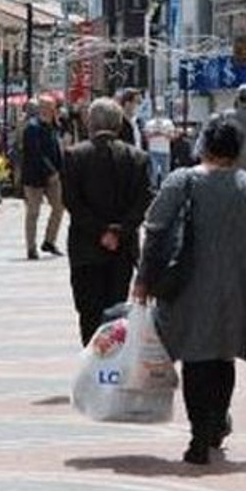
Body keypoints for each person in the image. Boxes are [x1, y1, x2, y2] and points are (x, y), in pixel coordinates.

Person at [134, 117, 246, 465]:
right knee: (223, 356)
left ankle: (199, 435)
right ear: (237, 151)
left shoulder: (181, 181)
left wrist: (144, 279)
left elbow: (156, 229)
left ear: (204, 146)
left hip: (187, 287)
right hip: (236, 287)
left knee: (196, 359)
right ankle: (216, 423)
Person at [63, 98, 153, 344]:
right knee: (115, 314)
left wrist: (100, 232)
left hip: (85, 249)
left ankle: (91, 362)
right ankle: (111, 368)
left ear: (89, 123)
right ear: (118, 124)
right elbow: (144, 201)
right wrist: (119, 231)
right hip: (121, 250)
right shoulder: (137, 158)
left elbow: (72, 202)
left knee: (89, 313)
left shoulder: (74, 156)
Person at [22, 96, 66, 260]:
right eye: (47, 106)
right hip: (35, 177)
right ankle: (31, 248)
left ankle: (49, 241)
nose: (51, 109)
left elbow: (57, 150)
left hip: (53, 177)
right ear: (41, 108)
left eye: (52, 106)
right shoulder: (32, 127)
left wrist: (60, 171)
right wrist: (51, 172)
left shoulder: (53, 125)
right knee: (33, 212)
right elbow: (36, 153)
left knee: (59, 207)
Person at [143, 117, 176, 188]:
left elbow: (173, 137)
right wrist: (155, 133)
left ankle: (164, 189)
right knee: (153, 172)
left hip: (165, 152)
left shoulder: (168, 123)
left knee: (165, 173)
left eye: (161, 111)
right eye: (157, 110)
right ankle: (152, 189)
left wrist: (163, 133)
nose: (159, 113)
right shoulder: (149, 123)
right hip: (153, 151)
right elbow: (146, 137)